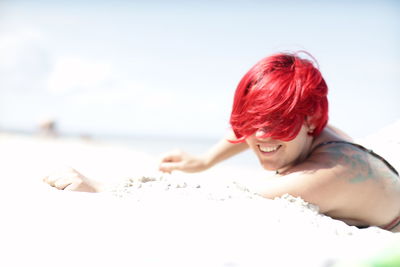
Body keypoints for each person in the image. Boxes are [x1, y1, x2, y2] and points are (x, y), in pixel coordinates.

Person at [43, 52, 400, 232]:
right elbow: (246, 131)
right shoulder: (315, 129)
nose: (260, 137)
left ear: (309, 120)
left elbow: (226, 200)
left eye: (277, 124)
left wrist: (105, 187)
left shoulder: (325, 175)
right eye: (253, 122)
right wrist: (203, 161)